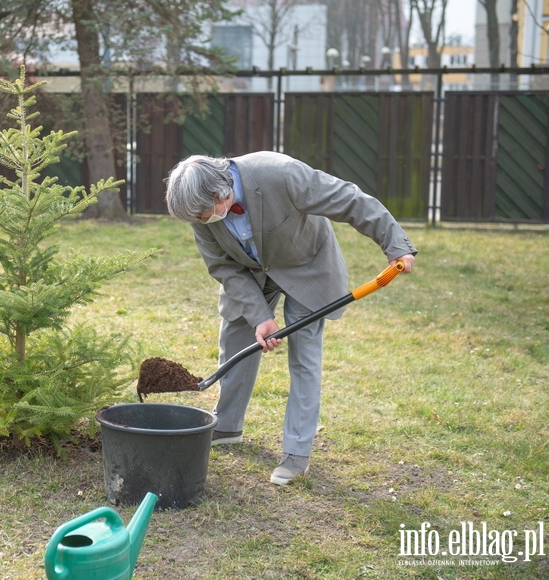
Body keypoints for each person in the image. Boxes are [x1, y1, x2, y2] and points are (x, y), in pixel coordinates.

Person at [164, 152, 416, 485]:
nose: (198, 221)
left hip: (305, 265)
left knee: (304, 356)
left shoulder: (280, 174)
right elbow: (223, 267)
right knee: (235, 339)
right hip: (250, 274)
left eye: (200, 214)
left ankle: (296, 454)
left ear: (219, 194)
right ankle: (225, 426)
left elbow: (350, 200)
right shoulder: (201, 216)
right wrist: (259, 317)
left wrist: (395, 243)